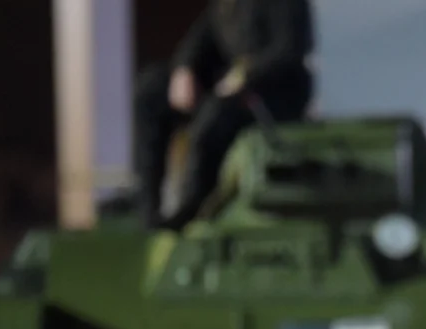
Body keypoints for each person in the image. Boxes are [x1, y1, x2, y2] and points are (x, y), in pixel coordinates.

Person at [134, 0, 315, 229]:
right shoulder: (227, 6)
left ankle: (194, 210)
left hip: (273, 96)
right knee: (150, 93)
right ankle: (148, 212)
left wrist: (245, 76)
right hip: (227, 91)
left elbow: (289, 50)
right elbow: (202, 38)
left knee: (214, 115)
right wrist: (185, 68)